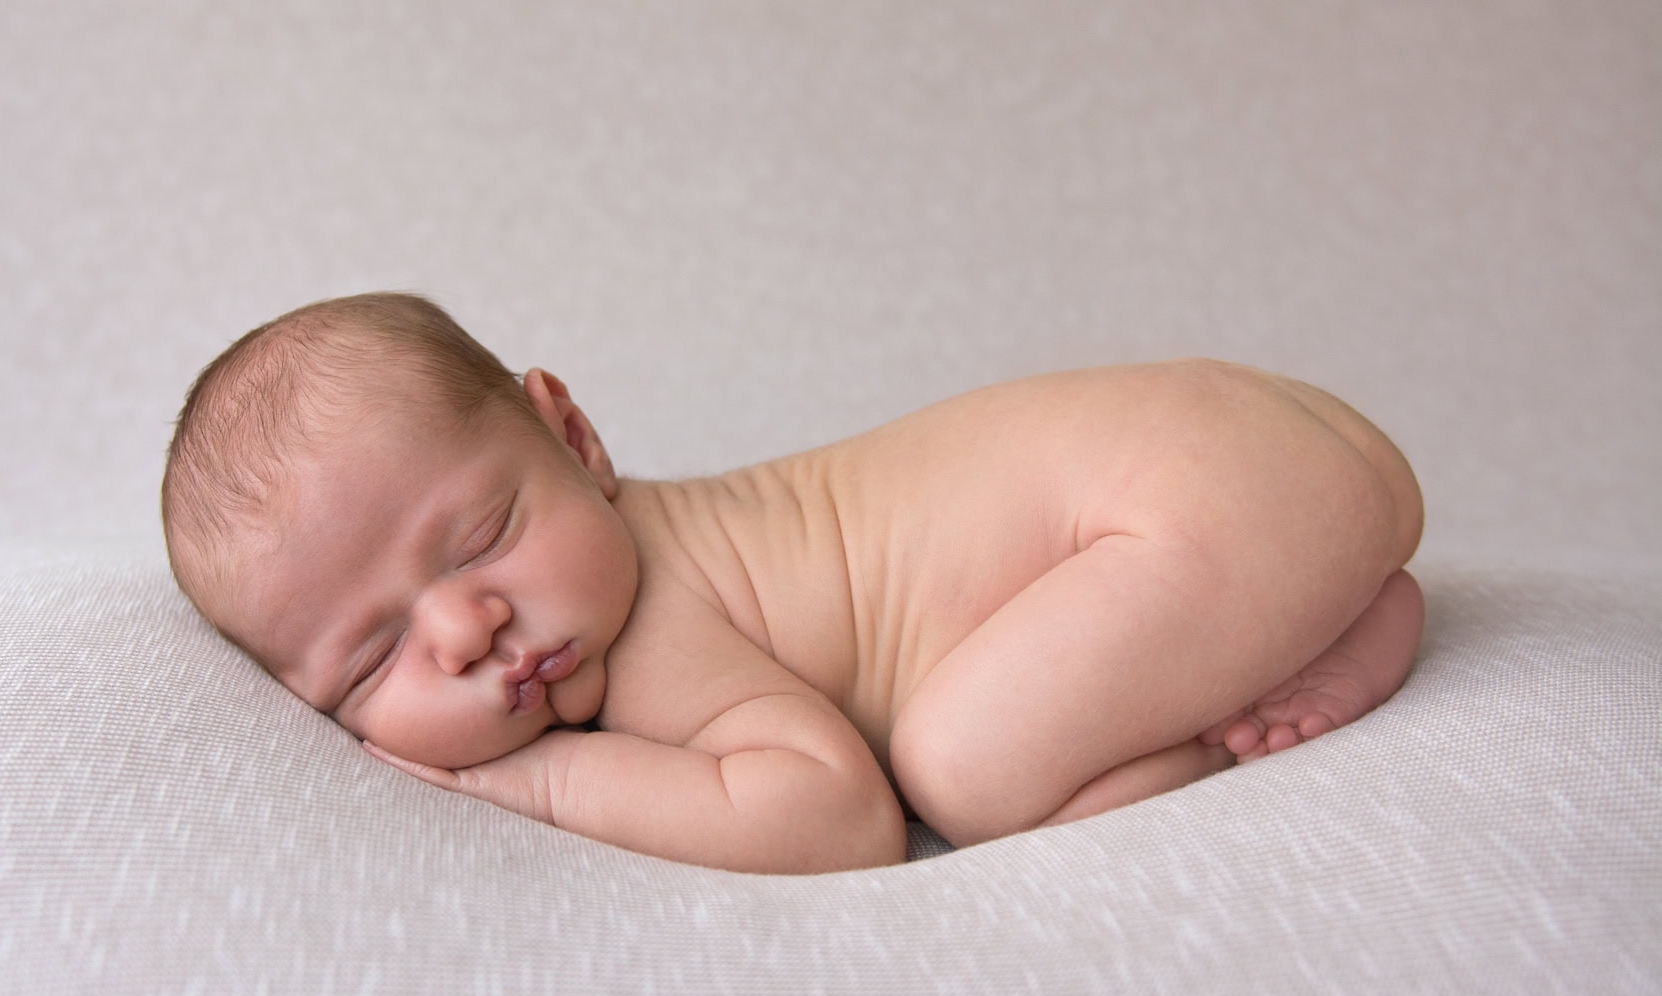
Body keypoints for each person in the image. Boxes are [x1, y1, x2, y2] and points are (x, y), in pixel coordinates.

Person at [162, 292, 1425, 874]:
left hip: (1209, 491)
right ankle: (1319, 605)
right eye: (373, 659)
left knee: (964, 770)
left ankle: (1276, 682)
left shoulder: (653, 619)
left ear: (574, 438)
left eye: (484, 533)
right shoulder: (606, 592)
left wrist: (544, 780)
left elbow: (838, 821)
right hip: (1256, 462)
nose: (467, 630)